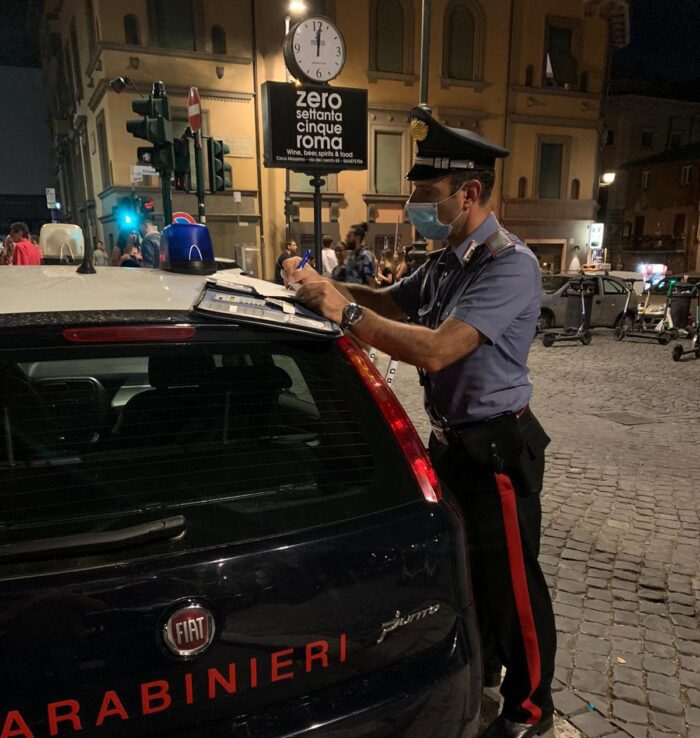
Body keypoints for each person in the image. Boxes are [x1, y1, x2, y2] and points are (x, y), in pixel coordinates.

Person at [285, 107, 556, 738]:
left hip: (497, 453)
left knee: (516, 589)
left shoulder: (508, 264)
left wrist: (344, 312)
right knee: (471, 573)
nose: (416, 207)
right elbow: (390, 301)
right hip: (453, 446)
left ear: (469, 193)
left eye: (427, 196)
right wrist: (330, 288)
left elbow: (435, 348)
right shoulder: (446, 260)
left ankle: (532, 710)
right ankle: (484, 671)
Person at [344, 222, 375, 286]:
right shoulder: (350, 257)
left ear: (357, 237)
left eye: (349, 236)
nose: (346, 239)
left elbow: (370, 283)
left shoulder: (365, 256)